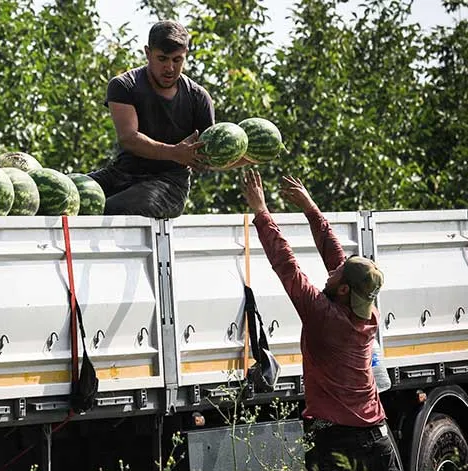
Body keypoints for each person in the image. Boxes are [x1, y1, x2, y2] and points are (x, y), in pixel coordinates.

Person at [241, 169, 399, 471]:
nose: (332, 269)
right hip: (378, 439)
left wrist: (261, 211)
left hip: (338, 442)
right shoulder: (368, 314)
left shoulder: (324, 318)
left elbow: (287, 266)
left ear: (343, 289)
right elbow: (334, 254)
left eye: (338, 272)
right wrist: (309, 207)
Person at [89, 20, 246, 219]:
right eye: (162, 59)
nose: (170, 68)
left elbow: (211, 156)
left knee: (111, 210)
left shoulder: (198, 97)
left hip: (170, 186)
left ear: (186, 55)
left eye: (177, 60)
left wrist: (249, 157)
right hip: (122, 174)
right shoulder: (124, 86)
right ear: (148, 53)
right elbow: (128, 138)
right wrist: (174, 152)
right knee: (74, 193)